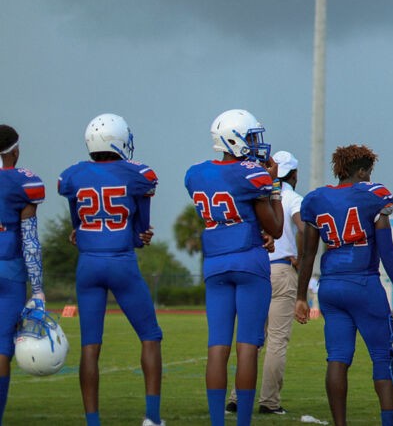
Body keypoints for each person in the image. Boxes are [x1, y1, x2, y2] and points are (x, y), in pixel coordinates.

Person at [57, 114, 164, 426]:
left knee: (90, 345)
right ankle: (152, 418)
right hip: (120, 261)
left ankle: (93, 422)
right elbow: (141, 231)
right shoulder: (136, 174)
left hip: (88, 263)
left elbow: (76, 224)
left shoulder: (73, 175)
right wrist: (140, 235)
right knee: (150, 335)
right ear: (118, 139)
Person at [293, 143, 393, 426]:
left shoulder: (316, 199)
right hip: (363, 282)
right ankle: (390, 423)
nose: (370, 178)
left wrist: (300, 297)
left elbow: (308, 254)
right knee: (382, 357)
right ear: (360, 171)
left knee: (337, 358)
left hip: (330, 286)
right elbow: (386, 249)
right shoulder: (374, 195)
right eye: (368, 172)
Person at [185, 109, 283, 426]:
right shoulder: (252, 174)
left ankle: (217, 421)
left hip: (214, 264)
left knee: (217, 346)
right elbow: (277, 227)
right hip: (248, 261)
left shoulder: (196, 174)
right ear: (234, 139)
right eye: (251, 137)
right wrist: (275, 185)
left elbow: (226, 212)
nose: (257, 144)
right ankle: (241, 422)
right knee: (247, 347)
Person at [0, 124, 46, 423]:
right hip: (9, 271)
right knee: (2, 348)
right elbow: (29, 242)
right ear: (15, 151)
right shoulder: (23, 182)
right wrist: (39, 288)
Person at [258, 150, 304, 417]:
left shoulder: (259, 193)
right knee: (276, 340)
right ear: (293, 174)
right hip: (281, 270)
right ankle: (269, 401)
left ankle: (236, 399)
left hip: (256, 270)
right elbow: (304, 227)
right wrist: (299, 255)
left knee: (251, 339)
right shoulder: (293, 198)